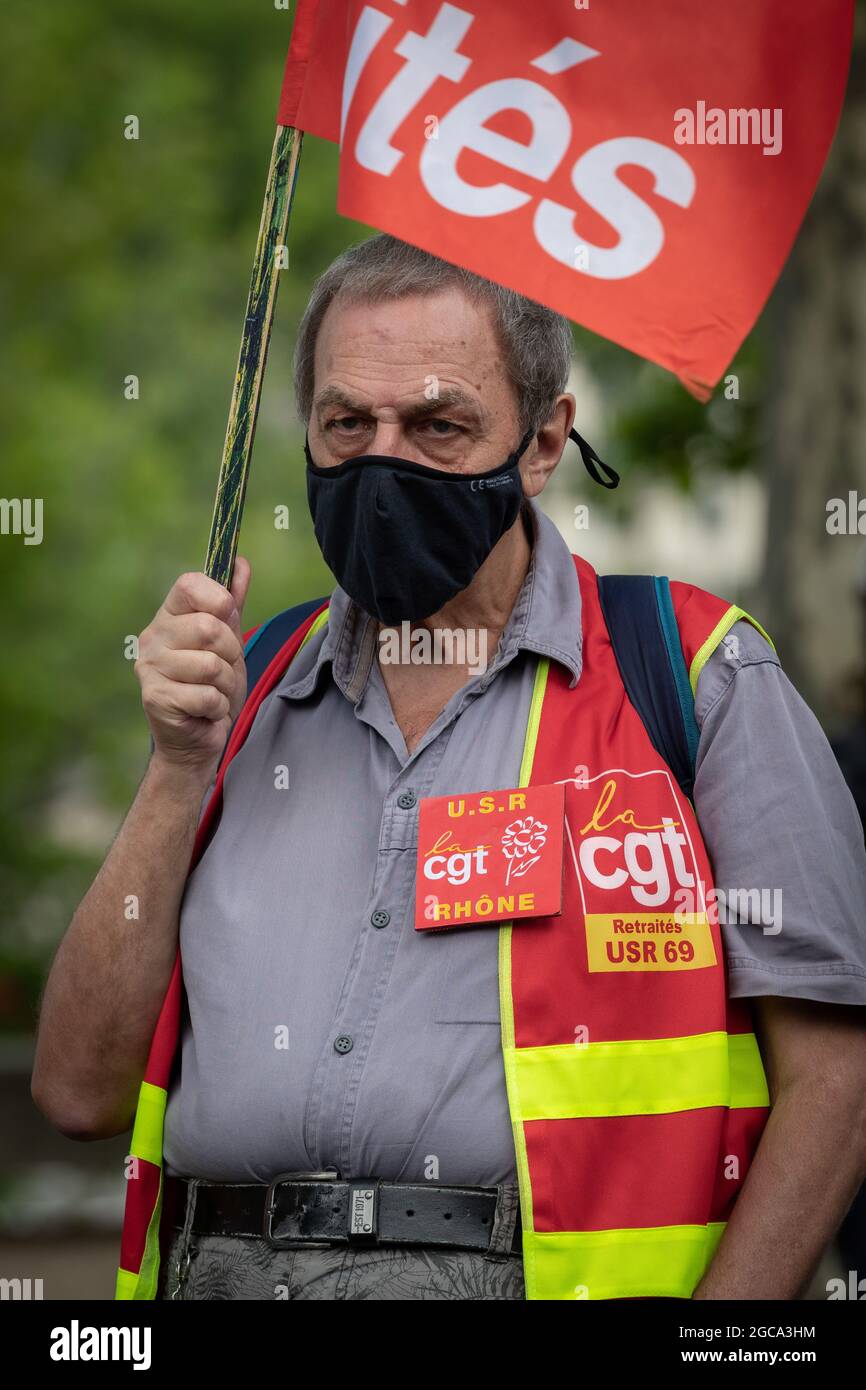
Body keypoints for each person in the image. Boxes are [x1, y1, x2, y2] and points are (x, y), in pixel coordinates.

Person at [32, 234, 866, 1301]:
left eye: (437, 425)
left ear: (542, 440)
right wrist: (176, 766)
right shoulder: (240, 696)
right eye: (347, 424)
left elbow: (835, 1084)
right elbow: (75, 1088)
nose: (385, 463)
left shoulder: (691, 676)